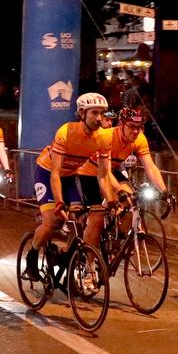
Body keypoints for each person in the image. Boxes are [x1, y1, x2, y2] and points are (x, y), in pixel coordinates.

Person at [25, 93, 116, 276]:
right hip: (47, 172)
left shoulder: (104, 137)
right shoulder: (66, 131)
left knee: (79, 217)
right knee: (53, 221)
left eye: (102, 113)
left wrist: (111, 199)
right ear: (82, 113)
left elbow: (104, 174)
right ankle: (32, 254)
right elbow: (55, 173)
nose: (99, 118)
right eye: (94, 113)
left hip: (71, 175)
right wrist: (59, 202)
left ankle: (66, 256)